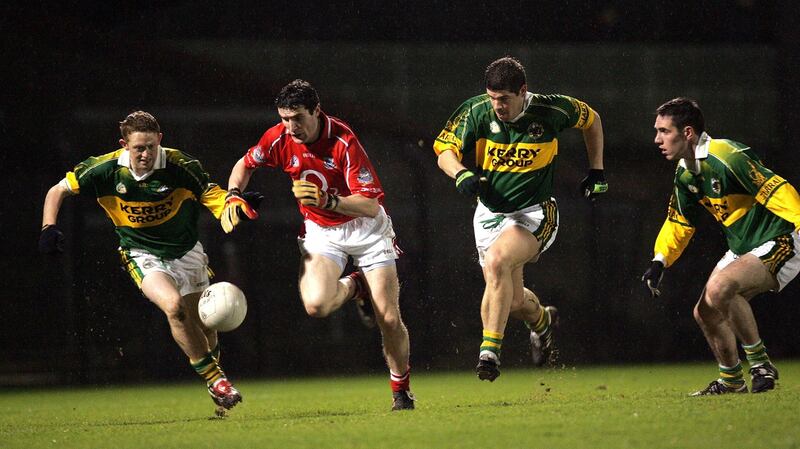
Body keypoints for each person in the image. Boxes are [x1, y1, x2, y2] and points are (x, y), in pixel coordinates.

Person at [39, 111, 261, 415]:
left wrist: (233, 204)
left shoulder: (180, 165)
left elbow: (211, 194)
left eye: (150, 147)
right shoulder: (104, 170)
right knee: (174, 308)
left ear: (160, 141)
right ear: (124, 145)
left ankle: (215, 386)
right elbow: (58, 190)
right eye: (138, 148)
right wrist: (48, 227)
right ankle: (217, 380)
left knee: (206, 325)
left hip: (187, 252)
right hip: (141, 253)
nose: (144, 154)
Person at [222, 79, 415, 411]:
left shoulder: (343, 140)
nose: (290, 126)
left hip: (366, 230)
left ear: (315, 111)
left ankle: (401, 390)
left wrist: (329, 199)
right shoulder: (277, 138)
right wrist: (233, 195)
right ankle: (358, 287)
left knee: (388, 317)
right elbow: (244, 165)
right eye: (284, 118)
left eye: (297, 117)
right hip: (322, 232)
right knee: (316, 305)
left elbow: (370, 204)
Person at [432, 56, 607, 381]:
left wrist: (596, 169)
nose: (497, 105)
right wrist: (460, 174)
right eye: (492, 97)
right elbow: (444, 150)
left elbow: (592, 119)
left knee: (498, 262)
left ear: (523, 92)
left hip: (534, 213)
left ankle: (489, 353)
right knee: (511, 302)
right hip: (489, 214)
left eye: (504, 99)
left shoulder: (551, 110)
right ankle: (542, 321)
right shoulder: (477, 110)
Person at [642, 97, 800, 395]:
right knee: (705, 312)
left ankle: (760, 364)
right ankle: (732, 380)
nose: (657, 139)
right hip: (744, 247)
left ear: (687, 132)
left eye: (664, 131)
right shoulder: (685, 172)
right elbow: (679, 222)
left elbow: (776, 187)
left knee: (721, 288)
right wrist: (660, 259)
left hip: (780, 238)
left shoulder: (727, 155)